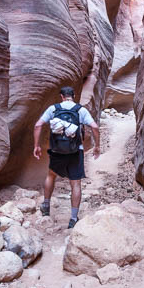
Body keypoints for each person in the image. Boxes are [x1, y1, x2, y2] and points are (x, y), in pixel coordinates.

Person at [33, 86, 100, 228]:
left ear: (62, 96)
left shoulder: (54, 109)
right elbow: (94, 127)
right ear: (73, 96)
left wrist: (36, 146)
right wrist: (97, 146)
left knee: (51, 176)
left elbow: (38, 125)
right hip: (76, 151)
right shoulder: (80, 110)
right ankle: (73, 218)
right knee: (75, 183)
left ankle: (46, 207)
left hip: (57, 150)